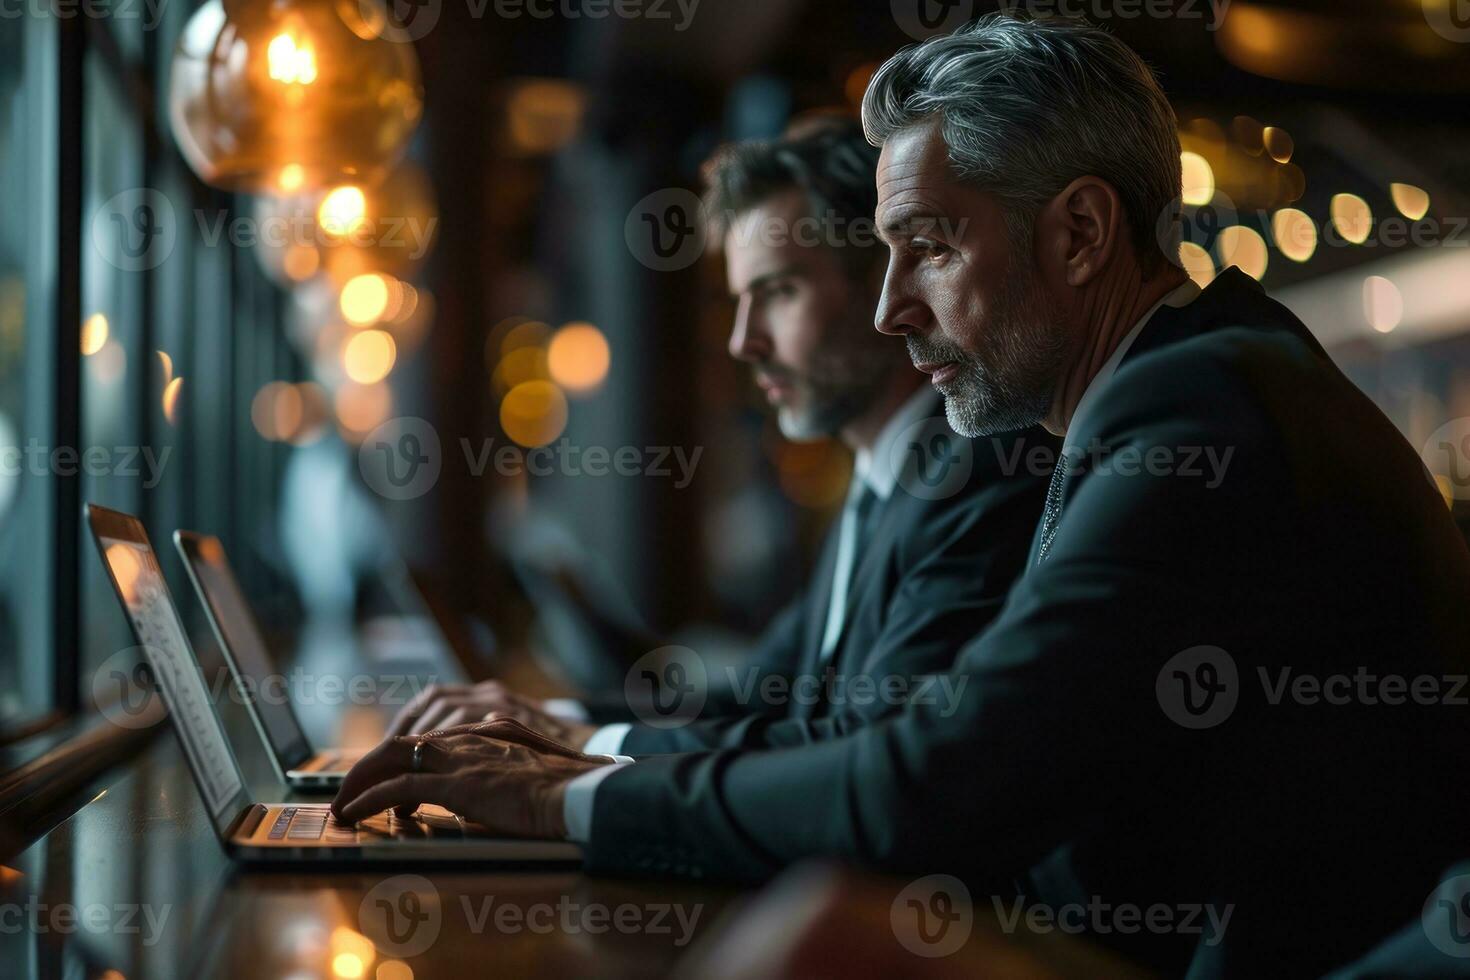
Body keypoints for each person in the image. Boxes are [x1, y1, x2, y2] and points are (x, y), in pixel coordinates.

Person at [334, 19, 1470, 976]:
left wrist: (562, 800)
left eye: (927, 246)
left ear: (1079, 233)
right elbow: (919, 742)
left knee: (812, 936)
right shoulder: (1182, 383)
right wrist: (573, 766)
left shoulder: (1197, 412)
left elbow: (938, 777)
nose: (891, 309)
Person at [382, 120, 1052, 756]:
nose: (744, 341)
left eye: (780, 291)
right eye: (739, 301)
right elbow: (758, 702)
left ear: (883, 278)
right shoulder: (881, 478)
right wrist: (554, 721)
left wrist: (579, 749)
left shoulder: (971, 471)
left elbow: (858, 750)